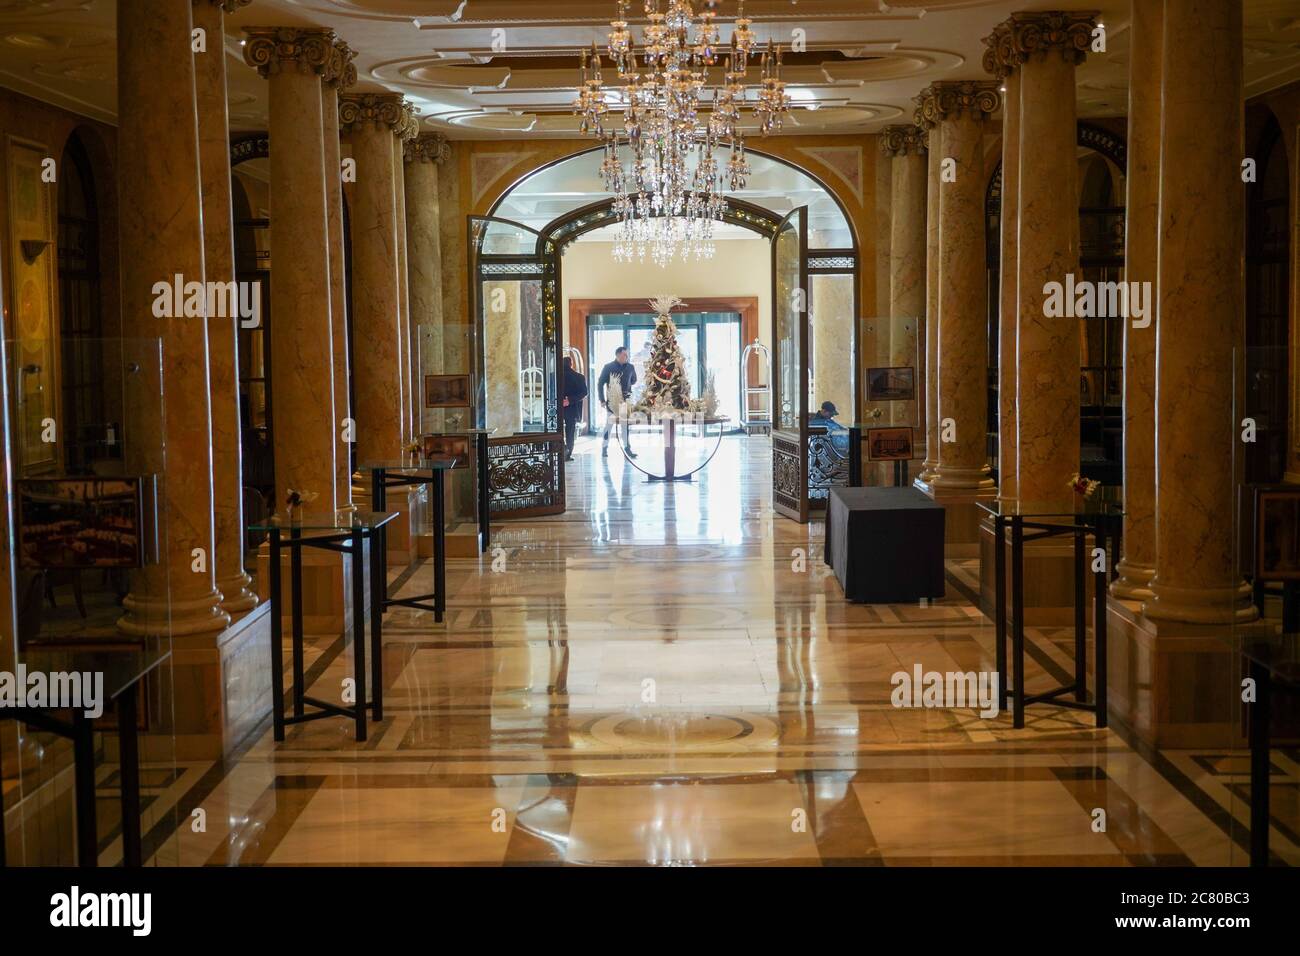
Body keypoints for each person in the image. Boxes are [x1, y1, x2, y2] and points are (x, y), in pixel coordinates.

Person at [596, 346, 638, 458]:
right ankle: (604, 448)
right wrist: (602, 400)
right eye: (625, 355)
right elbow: (600, 384)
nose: (627, 357)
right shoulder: (608, 367)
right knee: (608, 426)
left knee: (625, 426)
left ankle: (627, 449)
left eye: (627, 354)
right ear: (618, 355)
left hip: (625, 402)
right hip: (612, 402)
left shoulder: (630, 367)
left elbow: (634, 380)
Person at [562, 356, 587, 462]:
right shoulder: (579, 377)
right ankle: (568, 454)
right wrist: (570, 400)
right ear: (571, 364)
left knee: (558, 431)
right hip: (572, 408)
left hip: (557, 408)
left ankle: (560, 452)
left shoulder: (553, 376)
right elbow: (584, 393)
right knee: (570, 431)